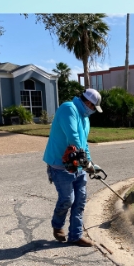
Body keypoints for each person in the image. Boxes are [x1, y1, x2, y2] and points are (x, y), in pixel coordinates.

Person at [43, 88, 102, 247]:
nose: (93, 111)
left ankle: (76, 236)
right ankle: (57, 226)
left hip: (78, 164)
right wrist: (85, 162)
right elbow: (73, 138)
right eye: (93, 108)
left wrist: (90, 163)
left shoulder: (85, 118)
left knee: (80, 200)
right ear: (89, 103)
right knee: (68, 199)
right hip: (60, 164)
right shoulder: (68, 108)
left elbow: (83, 143)